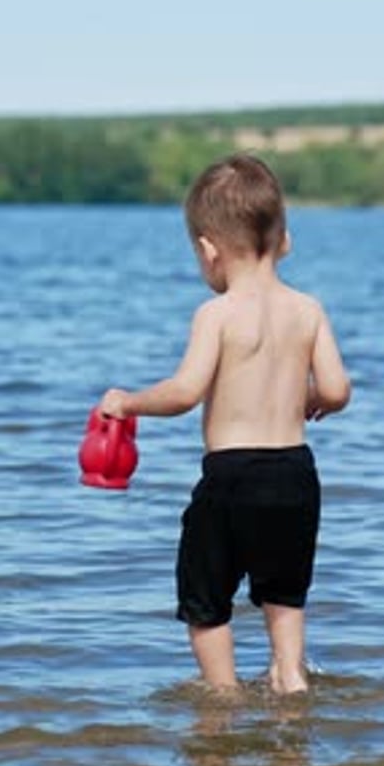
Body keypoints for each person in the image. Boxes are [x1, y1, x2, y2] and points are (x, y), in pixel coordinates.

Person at [99, 154, 351, 695]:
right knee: (285, 595)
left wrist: (128, 403)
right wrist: (307, 399)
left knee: (205, 599)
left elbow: (185, 392)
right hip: (294, 475)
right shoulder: (308, 310)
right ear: (285, 241)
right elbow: (336, 390)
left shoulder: (215, 315)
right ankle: (290, 678)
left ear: (208, 250)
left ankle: (223, 698)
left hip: (231, 478)